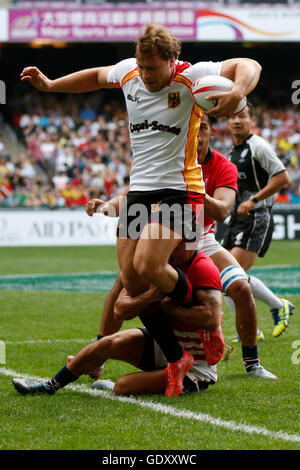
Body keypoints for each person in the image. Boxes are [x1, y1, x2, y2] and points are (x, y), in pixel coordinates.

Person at [20, 23, 262, 393]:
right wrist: (51, 85)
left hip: (181, 190)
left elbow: (249, 64)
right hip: (140, 192)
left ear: (171, 60)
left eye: (153, 68)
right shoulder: (130, 72)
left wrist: (237, 93)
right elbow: (97, 77)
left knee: (148, 265)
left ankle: (207, 330)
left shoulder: (191, 77)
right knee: (131, 282)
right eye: (141, 66)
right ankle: (176, 355)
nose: (145, 74)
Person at [85, 113, 278, 379]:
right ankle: (98, 356)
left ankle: (252, 363)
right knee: (123, 282)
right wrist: (108, 206)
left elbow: (222, 211)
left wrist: (194, 189)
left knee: (241, 286)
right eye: (192, 130)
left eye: (203, 130)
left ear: (211, 133)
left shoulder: (223, 166)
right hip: (168, 235)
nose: (197, 136)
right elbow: (135, 197)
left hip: (203, 239)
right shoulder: (166, 160)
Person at [12, 243, 224, 397]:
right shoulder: (152, 264)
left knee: (122, 386)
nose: (168, 251)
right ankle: (51, 385)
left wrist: (170, 308)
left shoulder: (202, 266)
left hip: (196, 364)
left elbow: (211, 318)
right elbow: (121, 310)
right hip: (166, 341)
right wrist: (151, 297)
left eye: (173, 246)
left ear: (188, 243)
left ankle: (186, 376)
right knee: (106, 344)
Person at [223, 102, 294, 338]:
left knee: (230, 274)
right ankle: (254, 328)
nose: (236, 121)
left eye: (242, 116)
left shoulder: (258, 147)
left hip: (257, 216)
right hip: (237, 217)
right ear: (226, 122)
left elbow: (283, 177)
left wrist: (253, 200)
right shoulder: (230, 152)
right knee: (221, 277)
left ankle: (277, 306)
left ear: (252, 120)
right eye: (232, 117)